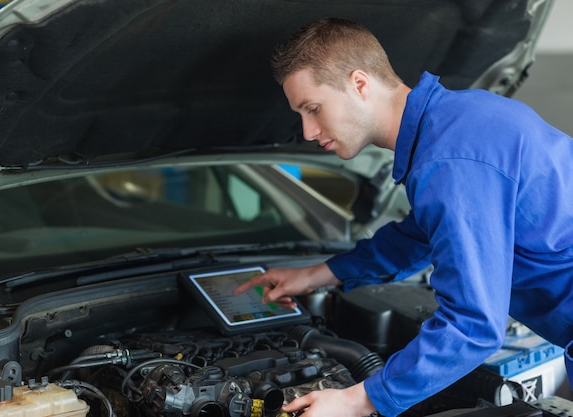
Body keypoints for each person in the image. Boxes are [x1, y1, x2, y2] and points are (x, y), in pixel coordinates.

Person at [232, 17, 573, 417]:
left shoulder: (449, 160)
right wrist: (318, 274)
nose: (307, 131)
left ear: (359, 83)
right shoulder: (457, 120)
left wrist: (359, 399)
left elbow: (472, 327)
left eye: (313, 108)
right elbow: (421, 233)